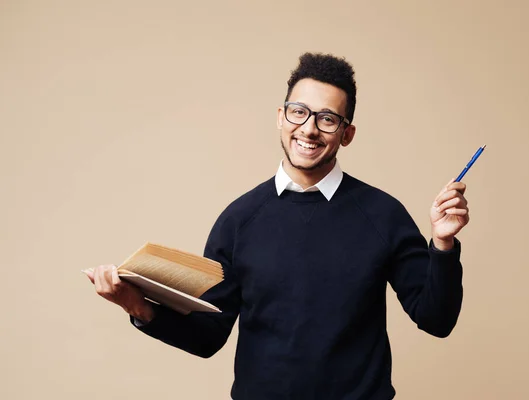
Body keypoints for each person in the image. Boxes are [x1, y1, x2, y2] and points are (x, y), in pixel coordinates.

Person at [85, 53, 470, 400]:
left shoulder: (383, 214)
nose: (309, 129)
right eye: (298, 112)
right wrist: (137, 306)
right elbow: (207, 337)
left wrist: (442, 243)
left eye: (328, 118)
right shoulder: (238, 219)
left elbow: (436, 320)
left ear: (346, 134)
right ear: (280, 116)